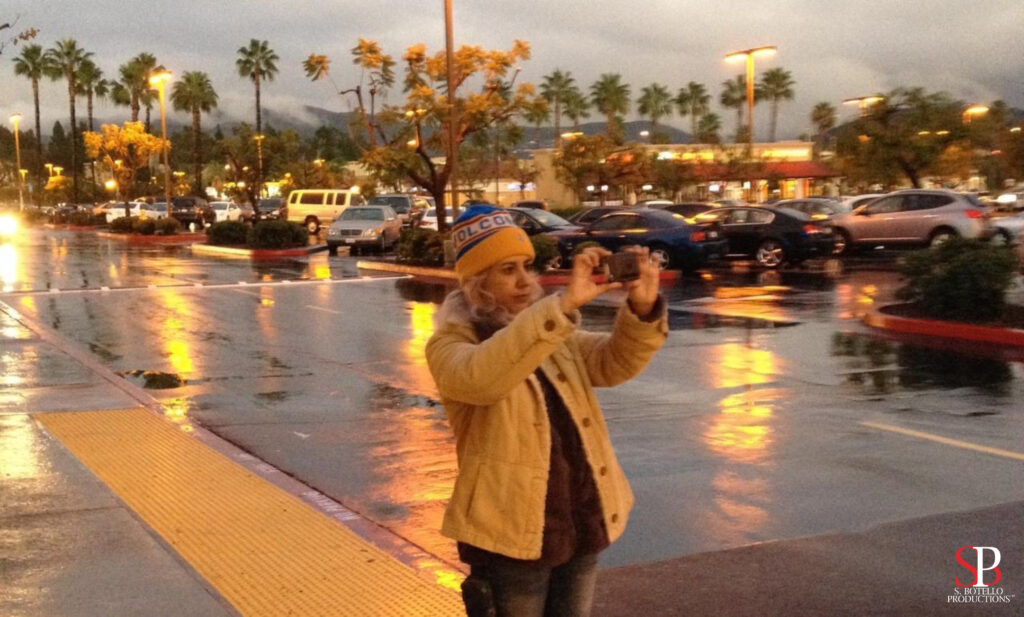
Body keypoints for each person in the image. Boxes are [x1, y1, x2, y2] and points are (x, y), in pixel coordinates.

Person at [426, 205, 668, 616]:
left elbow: (611, 363)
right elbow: (485, 376)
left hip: (579, 521)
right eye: (507, 270)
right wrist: (558, 309)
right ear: (476, 281)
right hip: (511, 537)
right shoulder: (452, 347)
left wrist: (642, 310)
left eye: (527, 266)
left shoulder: (548, 333)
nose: (525, 282)